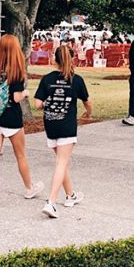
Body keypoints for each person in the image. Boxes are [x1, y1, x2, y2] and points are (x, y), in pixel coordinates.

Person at [0, 34, 43, 209]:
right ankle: (29, 188)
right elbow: (16, 98)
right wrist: (26, 93)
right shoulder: (17, 71)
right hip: (12, 120)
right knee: (20, 155)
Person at [34, 44, 92, 219]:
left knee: (62, 162)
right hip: (67, 126)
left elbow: (37, 104)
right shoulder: (76, 80)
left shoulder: (46, 79)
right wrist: (88, 114)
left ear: (54, 59)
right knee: (61, 163)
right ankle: (50, 202)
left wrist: (49, 103)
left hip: (51, 125)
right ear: (72, 59)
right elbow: (87, 102)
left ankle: (70, 195)